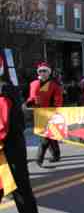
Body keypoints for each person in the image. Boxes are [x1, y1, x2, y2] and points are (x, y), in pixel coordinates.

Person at [0, 54, 38, 212]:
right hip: (10, 147)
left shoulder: (4, 91)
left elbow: (2, 126)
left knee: (20, 188)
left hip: (9, 149)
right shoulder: (8, 88)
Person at [25, 62, 63, 167]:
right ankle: (56, 155)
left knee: (45, 137)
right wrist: (29, 102)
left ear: (49, 72)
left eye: (45, 71)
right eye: (40, 71)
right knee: (50, 135)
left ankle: (39, 159)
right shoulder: (33, 84)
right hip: (38, 114)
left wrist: (54, 109)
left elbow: (58, 99)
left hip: (50, 114)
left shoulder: (54, 85)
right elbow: (31, 97)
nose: (42, 73)